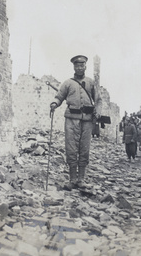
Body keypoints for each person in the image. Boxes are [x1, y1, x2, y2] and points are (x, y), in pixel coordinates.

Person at [50, 55, 96, 190]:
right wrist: (54, 104)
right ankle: (72, 180)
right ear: (74, 67)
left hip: (87, 120)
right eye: (77, 66)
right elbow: (59, 97)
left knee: (84, 149)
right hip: (71, 119)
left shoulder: (91, 83)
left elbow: (98, 100)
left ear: (85, 67)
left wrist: (97, 112)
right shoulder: (67, 83)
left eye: (82, 65)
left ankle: (81, 180)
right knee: (71, 148)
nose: (79, 68)